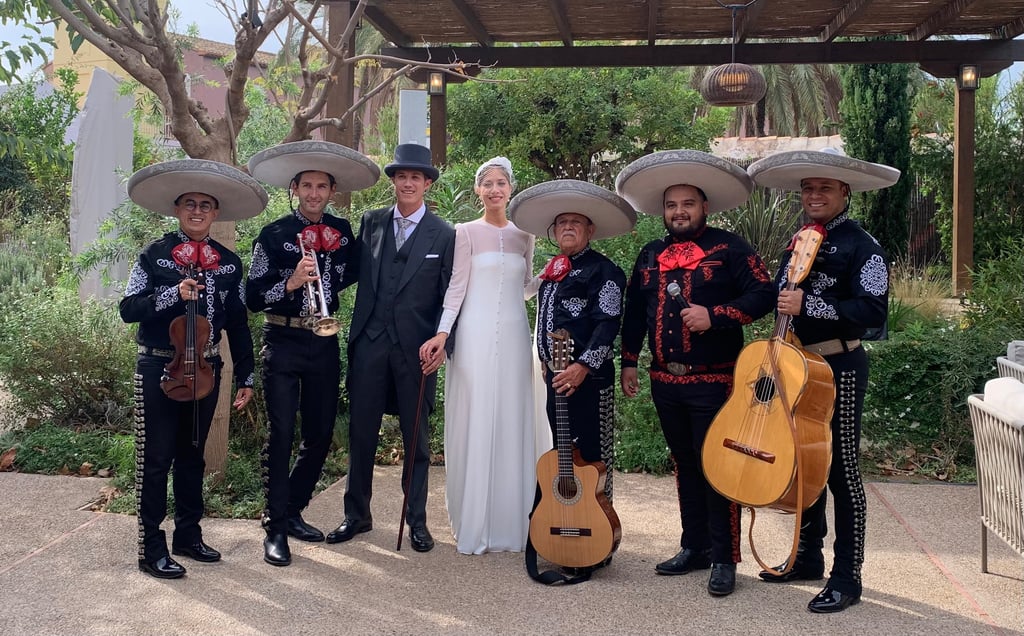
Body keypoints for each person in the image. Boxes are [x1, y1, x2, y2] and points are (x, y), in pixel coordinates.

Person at [616, 150, 775, 597]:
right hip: (664, 380)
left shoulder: (730, 248)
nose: (679, 212)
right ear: (663, 211)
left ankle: (725, 557)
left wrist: (717, 315)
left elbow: (765, 293)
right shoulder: (650, 254)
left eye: (687, 203)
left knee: (717, 466)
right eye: (671, 205)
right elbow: (634, 313)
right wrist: (629, 360)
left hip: (715, 380)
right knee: (684, 464)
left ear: (704, 207)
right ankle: (694, 546)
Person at [747, 148, 898, 613]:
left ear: (844, 193)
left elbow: (873, 315)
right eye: (808, 188)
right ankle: (807, 557)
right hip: (795, 366)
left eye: (825, 188)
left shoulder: (864, 246)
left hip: (840, 367)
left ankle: (847, 576)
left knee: (840, 470)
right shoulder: (797, 241)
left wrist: (811, 307)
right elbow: (780, 298)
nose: (814, 195)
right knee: (802, 462)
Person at [121, 159, 265, 579]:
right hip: (159, 370)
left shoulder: (228, 263)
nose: (197, 211)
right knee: (156, 459)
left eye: (205, 205)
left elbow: (237, 323)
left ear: (215, 213)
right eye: (189, 204)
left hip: (206, 370)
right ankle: (151, 548)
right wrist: (171, 295)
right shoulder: (154, 255)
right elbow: (129, 309)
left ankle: (188, 534)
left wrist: (247, 375)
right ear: (177, 209)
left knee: (192, 457)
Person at [246, 140, 380, 566]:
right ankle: (274, 527)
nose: (315, 193)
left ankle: (292, 509)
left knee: (319, 434)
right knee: (282, 432)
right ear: (295, 189)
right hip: (282, 340)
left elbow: (361, 271)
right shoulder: (273, 235)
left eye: (322, 186)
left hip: (323, 339)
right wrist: (291, 282)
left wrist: (327, 285)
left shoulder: (341, 233)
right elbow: (252, 296)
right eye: (307, 186)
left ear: (331, 191)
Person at [327, 143, 456, 553]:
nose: (408, 183)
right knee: (361, 433)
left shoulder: (445, 234)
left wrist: (442, 341)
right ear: (394, 181)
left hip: (416, 349)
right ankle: (356, 515)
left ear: (427, 183)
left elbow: (450, 295)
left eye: (415, 177)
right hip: (370, 342)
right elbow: (347, 271)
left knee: (416, 439)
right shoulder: (371, 222)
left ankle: (416, 520)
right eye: (401, 176)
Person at [416, 157, 546, 554]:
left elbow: (525, 287)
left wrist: (554, 272)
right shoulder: (465, 232)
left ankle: (511, 520)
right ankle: (475, 520)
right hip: (472, 333)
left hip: (512, 334)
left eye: (501, 183)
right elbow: (457, 287)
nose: (494, 189)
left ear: (510, 189)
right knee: (476, 415)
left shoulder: (526, 234)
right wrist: (443, 333)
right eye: (487, 183)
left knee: (511, 415)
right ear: (478, 190)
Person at [509, 179, 634, 580]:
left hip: (589, 380)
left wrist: (583, 366)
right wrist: (547, 363)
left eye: (575, 223)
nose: (567, 228)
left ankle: (598, 538)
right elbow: (546, 323)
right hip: (554, 380)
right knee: (566, 457)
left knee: (594, 460)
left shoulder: (606, 271)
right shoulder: (553, 272)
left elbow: (607, 323)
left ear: (590, 230)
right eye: (561, 223)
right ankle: (566, 530)